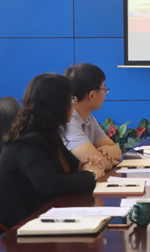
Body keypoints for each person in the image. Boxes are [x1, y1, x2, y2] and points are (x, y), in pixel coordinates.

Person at [0, 73, 105, 230]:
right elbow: (52, 185)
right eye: (70, 100)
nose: (73, 106)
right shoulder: (26, 142)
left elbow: (72, 165)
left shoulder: (48, 133)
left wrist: (82, 167)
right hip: (22, 227)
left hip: (47, 214)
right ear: (57, 105)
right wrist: (91, 175)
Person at [62, 64, 122, 169]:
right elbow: (98, 164)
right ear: (92, 95)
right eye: (104, 89)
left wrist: (107, 153)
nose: (105, 94)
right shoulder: (68, 120)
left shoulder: (87, 116)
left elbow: (117, 151)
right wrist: (110, 161)